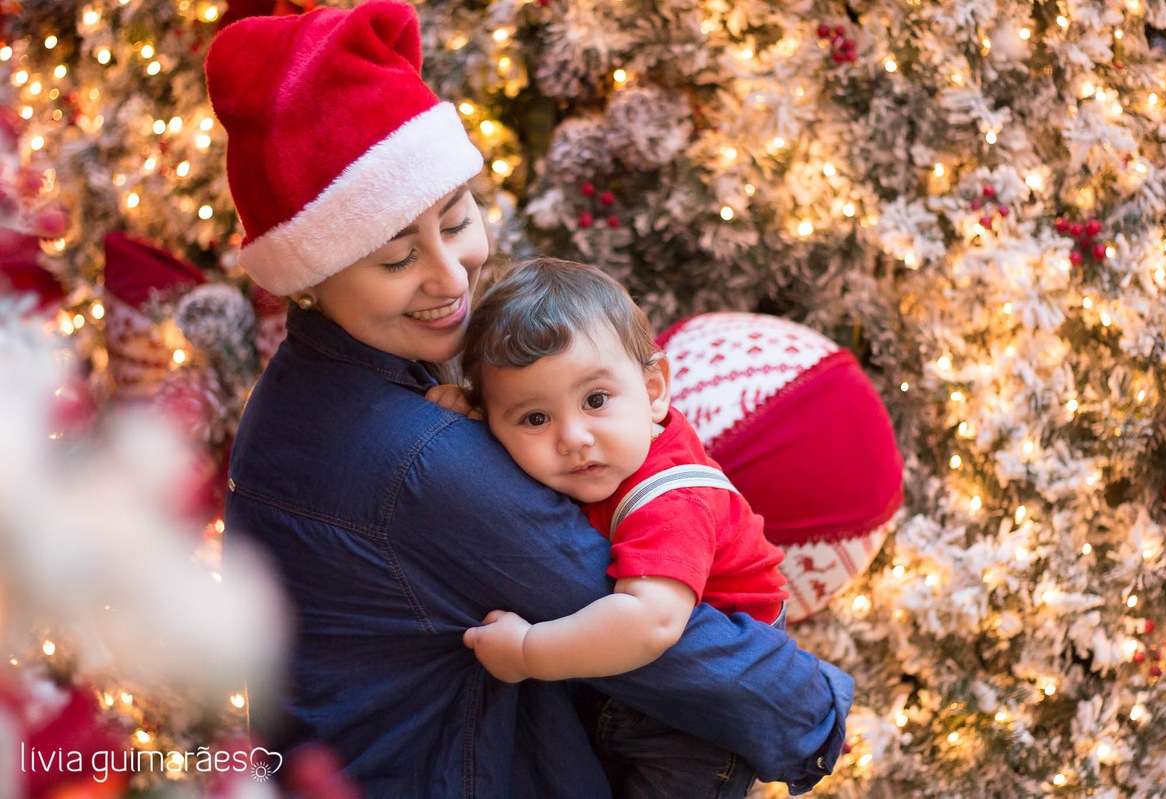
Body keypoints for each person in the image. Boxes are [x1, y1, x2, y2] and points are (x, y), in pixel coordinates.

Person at [205, 2, 852, 797]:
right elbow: (655, 635)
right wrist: (818, 708)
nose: (450, 278)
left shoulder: (322, 384)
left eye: (457, 220)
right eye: (398, 257)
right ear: (311, 273)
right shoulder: (419, 460)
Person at [430, 257, 791, 797]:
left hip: (698, 720)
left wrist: (529, 651)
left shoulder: (672, 499)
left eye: (596, 400)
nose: (573, 437)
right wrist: (468, 422)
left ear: (653, 390)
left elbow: (650, 623)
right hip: (627, 683)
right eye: (534, 418)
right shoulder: (597, 457)